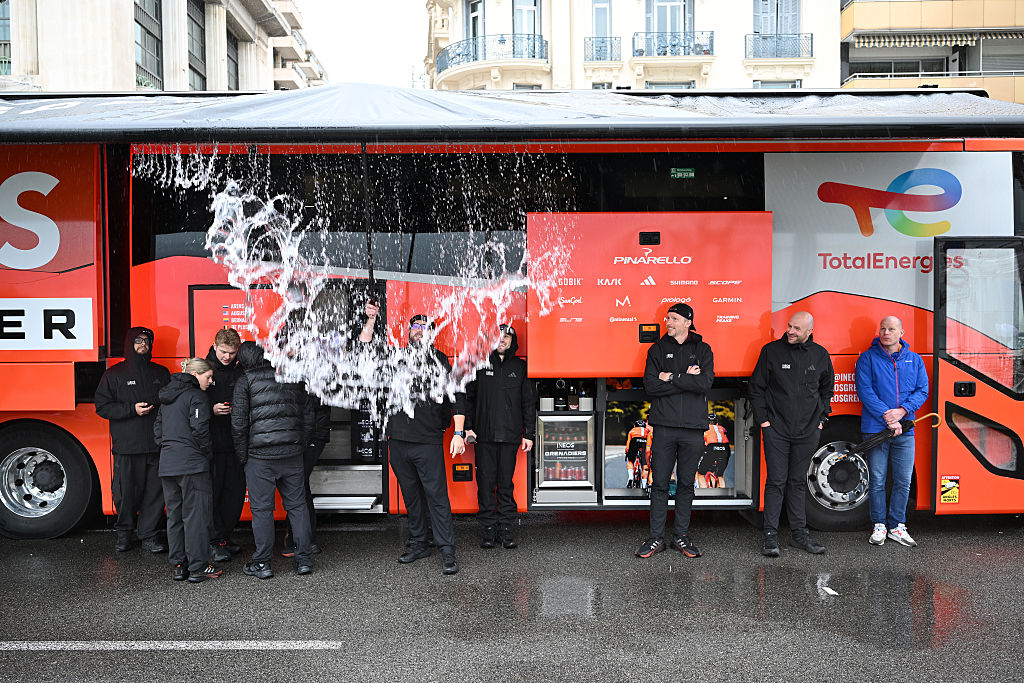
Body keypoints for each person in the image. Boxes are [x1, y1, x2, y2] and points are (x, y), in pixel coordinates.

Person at [360, 304, 466, 575]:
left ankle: (447, 550)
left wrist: (458, 432)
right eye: (415, 327)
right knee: (411, 496)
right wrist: (371, 320)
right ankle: (419, 542)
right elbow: (366, 351)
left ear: (431, 333)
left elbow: (457, 397)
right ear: (408, 332)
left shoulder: (440, 360)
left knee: (437, 497)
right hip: (397, 441)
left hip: (428, 442)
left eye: (425, 328)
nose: (419, 332)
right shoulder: (397, 357)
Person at [749, 311, 834, 557]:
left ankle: (799, 535)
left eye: (797, 328)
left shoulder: (820, 355)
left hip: (808, 431)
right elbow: (756, 388)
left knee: (797, 482)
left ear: (809, 332)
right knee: (776, 482)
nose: (790, 331)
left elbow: (827, 388)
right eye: (789, 326)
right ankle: (770, 537)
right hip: (776, 430)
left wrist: (821, 419)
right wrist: (764, 421)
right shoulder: (771, 351)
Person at [636, 303, 714, 559]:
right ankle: (655, 538)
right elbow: (650, 385)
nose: (668, 322)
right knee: (659, 484)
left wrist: (670, 377)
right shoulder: (657, 349)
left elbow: (704, 383)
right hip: (664, 427)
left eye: (673, 318)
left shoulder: (703, 349)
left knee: (685, 485)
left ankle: (681, 536)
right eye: (667, 318)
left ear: (687, 322)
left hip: (693, 429)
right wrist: (685, 379)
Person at [232, 340, 315, 579]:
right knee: (297, 507)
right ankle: (304, 560)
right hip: (292, 454)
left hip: (259, 457)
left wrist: (243, 456)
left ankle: (262, 563)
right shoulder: (290, 375)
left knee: (262, 510)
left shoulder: (244, 382)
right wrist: (301, 443)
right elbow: (308, 413)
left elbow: (238, 425)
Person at [95, 326, 171, 553]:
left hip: (157, 445)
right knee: (125, 494)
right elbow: (102, 406)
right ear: (129, 343)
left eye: (147, 341)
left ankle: (149, 536)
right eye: (138, 340)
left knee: (155, 495)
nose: (143, 345)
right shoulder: (114, 374)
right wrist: (131, 410)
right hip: (127, 447)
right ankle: (124, 534)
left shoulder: (161, 373)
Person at [855, 316, 929, 547]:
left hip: (904, 430)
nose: (886, 333)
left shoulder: (915, 360)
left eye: (891, 329)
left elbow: (922, 390)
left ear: (901, 333)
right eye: (883, 329)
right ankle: (879, 525)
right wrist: (889, 417)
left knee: (903, 481)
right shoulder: (867, 358)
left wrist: (903, 411)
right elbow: (865, 391)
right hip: (876, 430)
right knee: (877, 480)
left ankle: (897, 526)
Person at [466, 324, 536, 550]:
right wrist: (467, 428)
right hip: (483, 436)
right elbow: (468, 398)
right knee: (485, 484)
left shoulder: (521, 367)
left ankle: (505, 529)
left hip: (510, 437)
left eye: (506, 337)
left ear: (512, 341)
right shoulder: (480, 364)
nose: (502, 340)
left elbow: (528, 402)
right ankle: (488, 530)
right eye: (499, 337)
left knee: (506, 485)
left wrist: (529, 433)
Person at [154, 358, 222, 583]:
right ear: (194, 374)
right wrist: (205, 454)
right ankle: (199, 567)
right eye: (208, 377)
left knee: (175, 516)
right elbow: (200, 430)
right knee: (196, 516)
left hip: (168, 464)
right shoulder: (197, 396)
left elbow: (157, 431)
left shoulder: (167, 398)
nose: (210, 382)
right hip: (192, 465)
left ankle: (179, 565)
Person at [205, 328, 245, 563]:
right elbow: (191, 401)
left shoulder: (241, 370)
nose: (227, 357)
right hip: (212, 444)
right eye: (223, 352)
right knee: (213, 496)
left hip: (235, 443)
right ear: (214, 346)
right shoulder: (203, 369)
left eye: (231, 352)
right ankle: (213, 541)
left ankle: (225, 537)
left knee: (234, 495)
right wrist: (211, 410)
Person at [282, 394, 331, 558]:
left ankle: (302, 539)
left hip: (311, 431)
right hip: (308, 430)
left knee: (298, 484)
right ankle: (303, 538)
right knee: (299, 484)